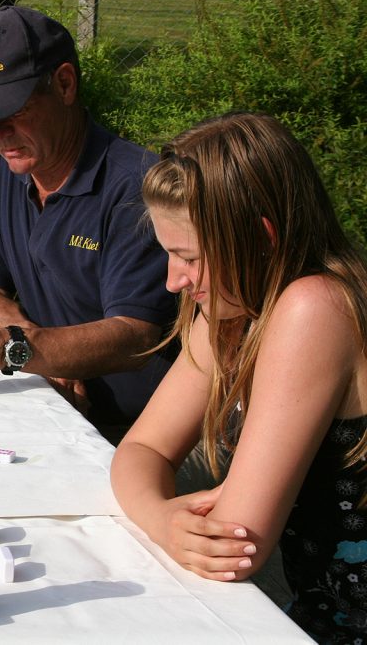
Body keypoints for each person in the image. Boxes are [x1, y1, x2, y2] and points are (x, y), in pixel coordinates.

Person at [110, 112, 367, 642]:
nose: (172, 280)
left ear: (260, 237)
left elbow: (234, 542)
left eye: (188, 257)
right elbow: (141, 451)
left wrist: (173, 518)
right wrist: (161, 517)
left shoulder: (315, 308)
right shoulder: (235, 307)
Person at [0, 6, 178, 443]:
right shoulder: (9, 173)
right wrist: (34, 355)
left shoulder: (137, 188)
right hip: (45, 404)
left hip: (140, 433)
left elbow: (136, 336)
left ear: (65, 84)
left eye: (11, 110)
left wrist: (14, 350)